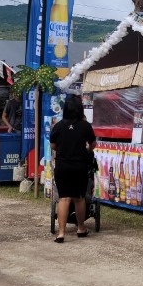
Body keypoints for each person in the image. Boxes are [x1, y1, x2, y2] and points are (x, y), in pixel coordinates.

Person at [48, 97, 96, 242]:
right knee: (79, 198)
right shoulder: (85, 126)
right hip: (79, 166)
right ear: (80, 110)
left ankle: (61, 233)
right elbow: (93, 144)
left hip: (62, 166)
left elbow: (53, 146)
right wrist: (86, 149)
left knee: (63, 198)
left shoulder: (58, 126)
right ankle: (80, 228)